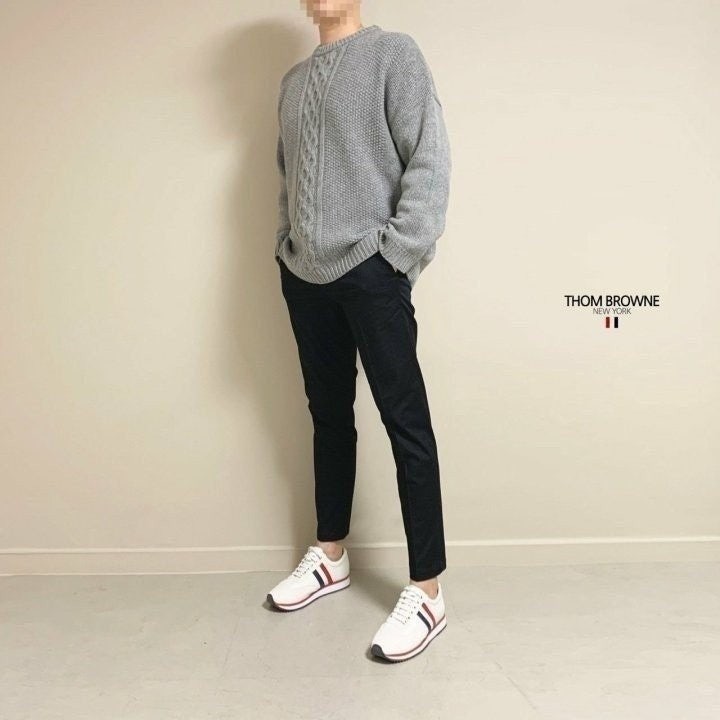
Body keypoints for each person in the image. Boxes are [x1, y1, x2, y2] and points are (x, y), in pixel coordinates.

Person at [267, 0, 452, 663]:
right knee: (328, 417)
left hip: (371, 271)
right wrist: (286, 245)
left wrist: (395, 256)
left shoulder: (393, 54)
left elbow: (429, 159)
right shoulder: (292, 83)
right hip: (304, 275)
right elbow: (288, 177)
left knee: (406, 423)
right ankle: (331, 555)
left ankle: (427, 592)